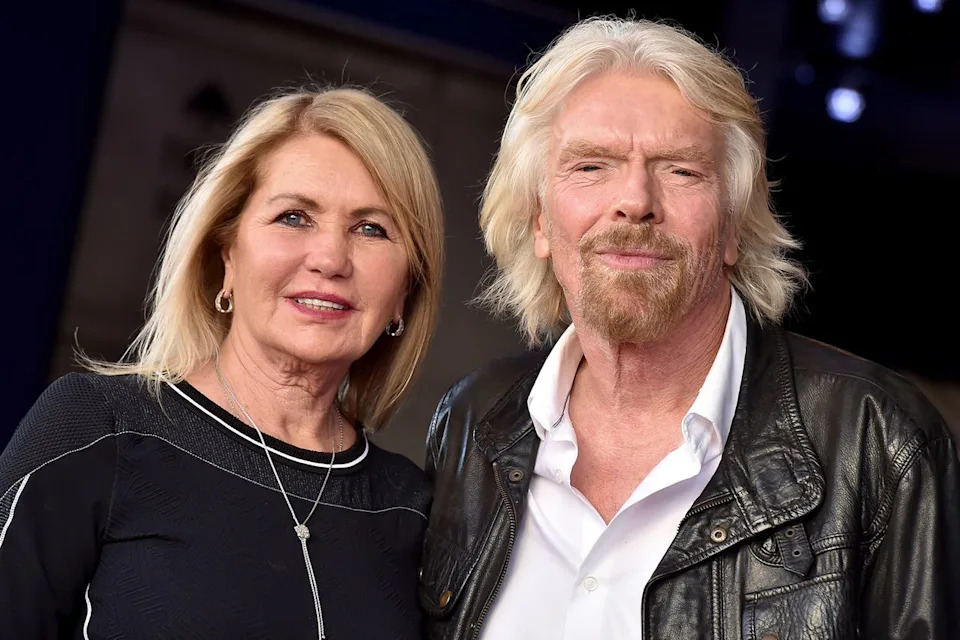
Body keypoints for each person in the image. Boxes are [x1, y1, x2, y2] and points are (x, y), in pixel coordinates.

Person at [419, 16, 960, 639]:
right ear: (540, 221)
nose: (635, 200)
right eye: (591, 166)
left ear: (733, 226)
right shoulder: (471, 424)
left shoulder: (879, 442)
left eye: (680, 169)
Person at [0, 86, 444, 639]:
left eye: (371, 228)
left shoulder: (415, 509)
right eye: (293, 217)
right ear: (226, 254)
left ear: (405, 290)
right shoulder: (98, 432)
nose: (330, 259)